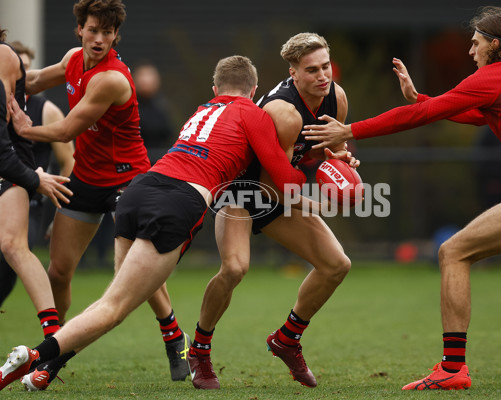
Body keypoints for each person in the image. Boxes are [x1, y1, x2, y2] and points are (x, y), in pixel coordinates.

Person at [303, 6, 501, 390]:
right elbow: (479, 113)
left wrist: (350, 130)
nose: (471, 51)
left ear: (494, 44)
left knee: (453, 252)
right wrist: (421, 97)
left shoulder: (492, 77)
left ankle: (453, 368)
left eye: (475, 44)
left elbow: (422, 117)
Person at [0, 54, 306, 392]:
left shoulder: (202, 109)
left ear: (215, 88)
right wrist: (321, 164)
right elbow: (283, 177)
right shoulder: (254, 113)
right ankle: (34, 356)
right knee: (114, 307)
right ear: (255, 89)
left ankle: (45, 367)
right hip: (177, 202)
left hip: (139, 189)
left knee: (112, 303)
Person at [8, 0, 190, 384]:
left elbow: (64, 131)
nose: (98, 38)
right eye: (93, 30)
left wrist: (23, 128)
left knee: (130, 272)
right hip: (87, 180)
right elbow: (36, 81)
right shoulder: (74, 57)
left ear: (115, 36)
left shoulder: (111, 78)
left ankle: (174, 337)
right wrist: (7, 89)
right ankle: (52, 346)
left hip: (128, 181)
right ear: (79, 30)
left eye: (107, 32)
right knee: (58, 271)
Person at [190, 32, 355, 390]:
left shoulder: (336, 97)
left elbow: (333, 148)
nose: (323, 76)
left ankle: (287, 339)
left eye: (326, 66)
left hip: (279, 186)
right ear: (293, 73)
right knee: (234, 268)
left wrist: (343, 165)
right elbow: (269, 186)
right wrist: (317, 201)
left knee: (337, 265)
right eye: (312, 70)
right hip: (242, 187)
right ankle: (199, 350)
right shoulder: (283, 113)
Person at [0, 28, 72, 337]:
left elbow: (69, 156)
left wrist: (35, 180)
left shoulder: (46, 108)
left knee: (13, 247)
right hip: (20, 168)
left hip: (16, 168)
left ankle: (53, 339)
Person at [132, 62, 174, 164]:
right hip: (136, 161)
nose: (146, 80)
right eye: (142, 76)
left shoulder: (162, 105)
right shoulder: (130, 106)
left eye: (150, 76)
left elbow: (168, 134)